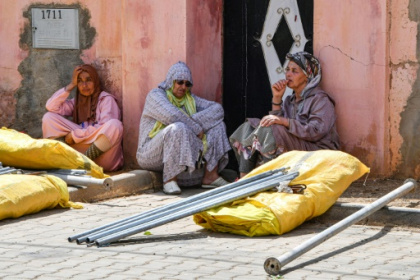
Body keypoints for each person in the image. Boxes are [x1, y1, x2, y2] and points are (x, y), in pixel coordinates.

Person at [230, 51, 340, 178]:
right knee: (249, 126)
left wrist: (284, 121)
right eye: (287, 69)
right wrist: (277, 98)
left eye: (294, 71)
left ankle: (270, 179)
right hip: (297, 144)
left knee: (271, 128)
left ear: (307, 76)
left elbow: (316, 131)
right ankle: (244, 177)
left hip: (317, 149)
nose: (288, 74)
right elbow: (277, 123)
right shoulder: (290, 100)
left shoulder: (320, 100)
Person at [136, 61, 231, 195]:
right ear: (171, 80)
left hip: (182, 145)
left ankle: (210, 176)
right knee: (178, 127)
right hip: (149, 153)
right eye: (179, 82)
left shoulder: (190, 99)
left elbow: (217, 110)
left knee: (218, 125)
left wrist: (192, 123)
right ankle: (169, 179)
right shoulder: (155, 95)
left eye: (188, 84)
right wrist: (195, 127)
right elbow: (171, 115)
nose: (183, 87)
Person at [42, 64, 123, 172]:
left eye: (89, 80)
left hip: (104, 156)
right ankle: (66, 160)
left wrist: (75, 136)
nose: (84, 85)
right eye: (80, 81)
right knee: (49, 117)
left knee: (115, 125)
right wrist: (71, 85)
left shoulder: (106, 100)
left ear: (95, 82)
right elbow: (51, 106)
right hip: (80, 153)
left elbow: (106, 129)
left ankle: (84, 163)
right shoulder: (77, 102)